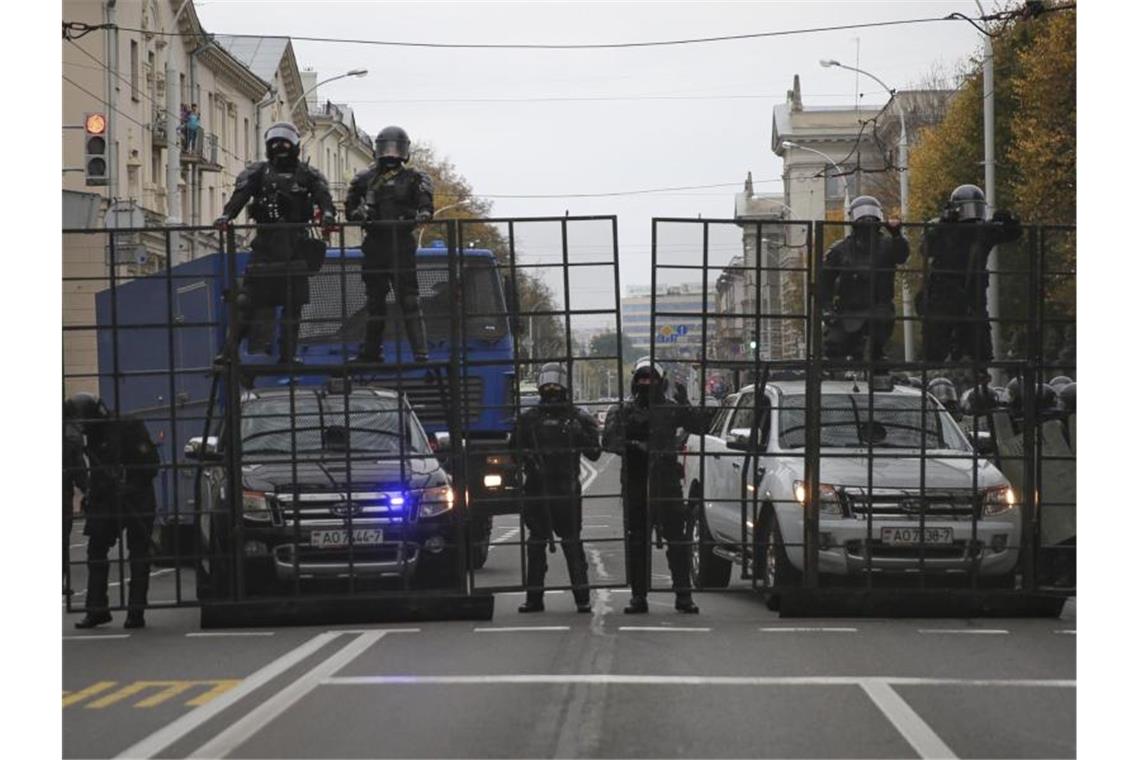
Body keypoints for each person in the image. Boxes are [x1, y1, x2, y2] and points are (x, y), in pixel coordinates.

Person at [215, 122, 336, 364]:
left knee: (294, 305)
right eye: (275, 143)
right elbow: (240, 196)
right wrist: (227, 215)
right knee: (245, 301)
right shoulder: (258, 172)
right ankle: (229, 353)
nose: (281, 147)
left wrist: (328, 215)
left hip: (296, 245)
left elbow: (325, 198)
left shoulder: (308, 174)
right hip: (266, 245)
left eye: (285, 143)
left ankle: (288, 355)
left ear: (296, 147)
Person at [603, 358, 703, 614]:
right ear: (635, 381)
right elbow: (609, 441)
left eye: (651, 379)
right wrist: (635, 447)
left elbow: (700, 425)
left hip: (666, 482)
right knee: (637, 542)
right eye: (642, 378)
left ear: (660, 382)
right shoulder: (623, 411)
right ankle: (639, 596)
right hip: (636, 482)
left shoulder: (670, 409)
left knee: (677, 540)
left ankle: (683, 594)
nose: (647, 383)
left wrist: (686, 405)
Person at [510, 363, 601, 613]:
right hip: (537, 488)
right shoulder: (529, 418)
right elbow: (513, 450)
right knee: (536, 544)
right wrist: (529, 458)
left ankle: (582, 597)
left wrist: (578, 434)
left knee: (572, 544)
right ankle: (534, 598)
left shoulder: (576, 417)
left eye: (556, 384)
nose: (551, 388)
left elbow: (594, 452)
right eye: (547, 384)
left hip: (566, 488)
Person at [65, 394, 160, 629]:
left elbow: (150, 464)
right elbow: (97, 473)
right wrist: (92, 496)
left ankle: (135, 612)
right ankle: (97, 609)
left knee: (139, 553)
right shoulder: (92, 437)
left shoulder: (128, 427)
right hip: (107, 500)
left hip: (137, 498)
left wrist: (130, 485)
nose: (79, 427)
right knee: (96, 549)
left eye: (81, 421)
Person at [345, 126, 434, 364]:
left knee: (410, 299)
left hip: (401, 242)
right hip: (375, 242)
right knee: (375, 301)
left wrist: (423, 214)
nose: (391, 153)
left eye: (396, 148)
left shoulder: (415, 178)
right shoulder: (365, 179)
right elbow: (350, 210)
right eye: (387, 148)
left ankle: (421, 352)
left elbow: (426, 204)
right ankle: (371, 352)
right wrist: (360, 214)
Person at [919, 184, 1022, 368]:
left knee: (978, 348)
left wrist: (1007, 221)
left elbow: (1012, 233)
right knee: (936, 346)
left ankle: (975, 375)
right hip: (946, 297)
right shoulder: (945, 230)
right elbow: (925, 249)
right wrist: (942, 226)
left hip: (969, 297)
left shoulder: (982, 231)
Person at [819, 195, 909, 364]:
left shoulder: (888, 244)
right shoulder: (841, 249)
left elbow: (902, 255)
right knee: (833, 347)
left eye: (871, 214)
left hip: (879, 308)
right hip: (848, 310)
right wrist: (827, 307)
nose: (867, 219)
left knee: (877, 349)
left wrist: (897, 235)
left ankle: (877, 360)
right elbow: (825, 280)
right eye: (862, 214)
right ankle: (837, 372)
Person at [63, 410, 88, 594]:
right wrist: (89, 490)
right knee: (61, 540)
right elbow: (79, 471)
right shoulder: (69, 441)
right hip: (62, 496)